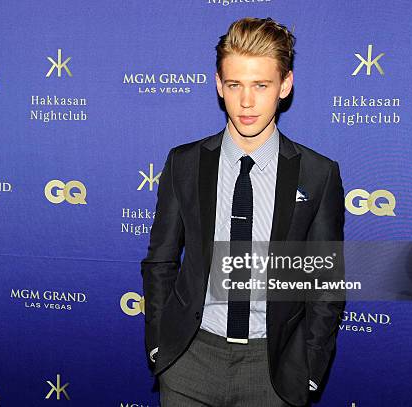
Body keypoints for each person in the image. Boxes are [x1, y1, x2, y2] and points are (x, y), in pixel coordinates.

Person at [141, 17, 345, 407]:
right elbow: (160, 261)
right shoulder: (184, 163)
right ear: (219, 84)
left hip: (273, 369)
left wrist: (310, 369)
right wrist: (159, 346)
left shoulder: (318, 174)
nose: (246, 101)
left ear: (285, 85)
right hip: (189, 361)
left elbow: (325, 282)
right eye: (234, 85)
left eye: (261, 85)